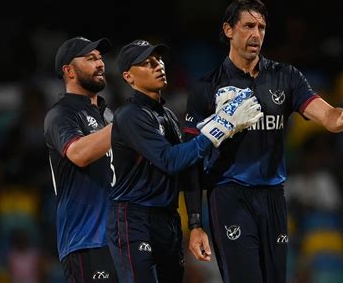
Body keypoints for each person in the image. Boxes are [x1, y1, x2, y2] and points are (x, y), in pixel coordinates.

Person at [183, 0, 343, 283]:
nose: (256, 34)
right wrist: (195, 222)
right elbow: (191, 160)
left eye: (261, 27)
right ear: (228, 30)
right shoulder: (206, 87)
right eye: (248, 26)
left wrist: (342, 116)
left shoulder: (286, 77)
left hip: (272, 196)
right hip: (229, 195)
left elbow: (326, 114)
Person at [106, 39, 263, 283]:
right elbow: (170, 161)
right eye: (148, 63)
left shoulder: (166, 115)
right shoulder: (129, 116)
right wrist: (221, 126)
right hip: (133, 218)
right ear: (128, 77)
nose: (159, 65)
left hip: (167, 218)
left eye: (158, 60)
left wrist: (195, 223)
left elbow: (188, 166)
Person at [44, 36, 117, 282]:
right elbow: (79, 154)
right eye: (90, 58)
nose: (100, 63)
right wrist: (127, 122)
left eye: (100, 58)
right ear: (69, 70)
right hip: (86, 240)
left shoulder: (109, 115)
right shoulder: (61, 113)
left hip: (122, 238)